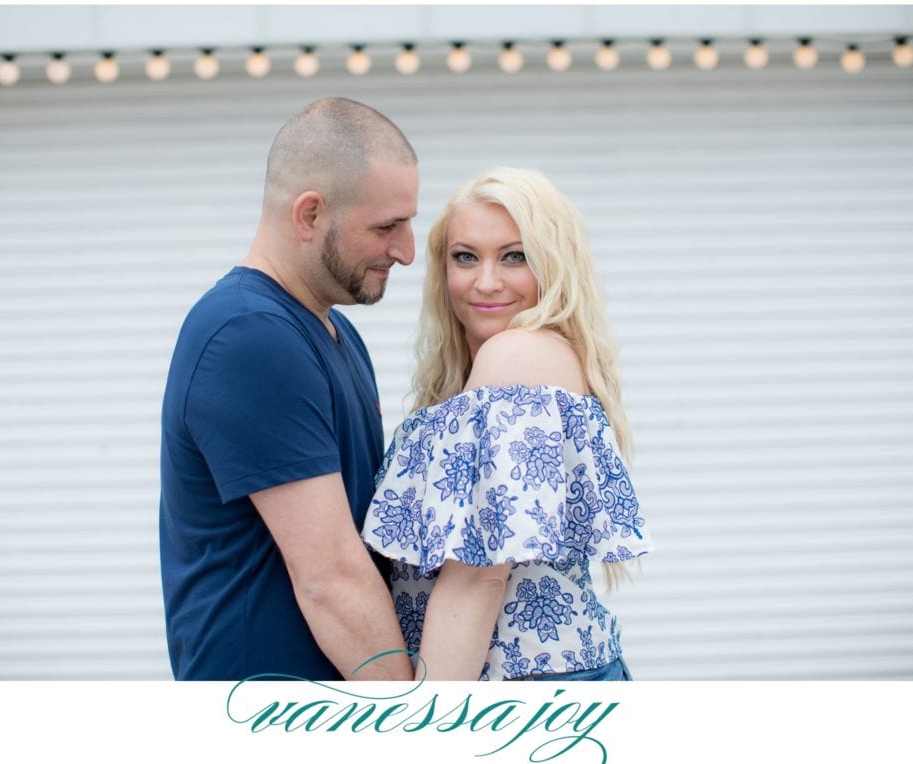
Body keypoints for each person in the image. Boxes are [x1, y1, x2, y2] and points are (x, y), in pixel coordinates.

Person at [160, 98, 418, 681]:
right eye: (387, 226)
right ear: (309, 215)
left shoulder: (334, 331)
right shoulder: (249, 335)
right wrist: (417, 726)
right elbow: (330, 577)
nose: (406, 251)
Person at [361, 167, 653, 681]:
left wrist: (424, 728)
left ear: (553, 266)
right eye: (465, 257)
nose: (486, 281)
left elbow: (478, 580)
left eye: (514, 256)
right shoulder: (480, 376)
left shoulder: (518, 357)